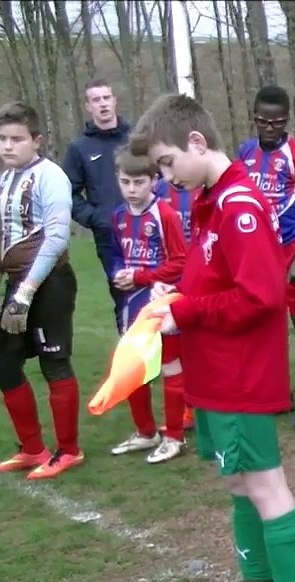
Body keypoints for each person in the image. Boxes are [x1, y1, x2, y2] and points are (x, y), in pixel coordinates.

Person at [131, 92, 295, 582]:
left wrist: (184, 311)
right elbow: (213, 273)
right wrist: (178, 291)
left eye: (167, 164)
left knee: (264, 484)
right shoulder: (211, 201)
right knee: (239, 481)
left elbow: (262, 297)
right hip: (213, 372)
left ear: (196, 142)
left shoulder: (239, 204)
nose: (166, 179)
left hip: (241, 375)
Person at [0, 101, 84, 481]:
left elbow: (57, 237)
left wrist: (27, 289)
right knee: (3, 363)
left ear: (36, 140)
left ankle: (69, 450)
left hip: (49, 285)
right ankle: (32, 448)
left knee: (54, 361)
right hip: (17, 284)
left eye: (16, 139)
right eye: (2, 139)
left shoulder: (52, 176)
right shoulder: (5, 178)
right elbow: (1, 229)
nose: (8, 146)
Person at [236, 85, 295, 430]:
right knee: (267, 327)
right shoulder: (245, 153)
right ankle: (278, 395)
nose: (269, 127)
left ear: (287, 120)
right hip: (262, 254)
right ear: (254, 119)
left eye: (277, 122)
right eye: (263, 121)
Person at [107, 148, 189, 464]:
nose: (132, 189)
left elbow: (181, 261)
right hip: (132, 303)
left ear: (154, 181)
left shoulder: (165, 215)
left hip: (160, 300)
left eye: (139, 182)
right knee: (133, 368)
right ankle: (145, 432)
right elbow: (115, 254)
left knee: (170, 366)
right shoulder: (117, 216)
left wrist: (142, 275)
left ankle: (174, 437)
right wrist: (118, 273)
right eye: (125, 182)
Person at [64, 79, 132, 326]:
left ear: (114, 101)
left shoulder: (137, 138)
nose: (102, 104)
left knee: (155, 295)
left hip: (149, 231)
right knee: (123, 297)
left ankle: (167, 356)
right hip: (110, 238)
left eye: (106, 98)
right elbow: (68, 194)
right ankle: (133, 360)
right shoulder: (79, 148)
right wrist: (96, 219)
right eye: (96, 100)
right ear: (88, 106)